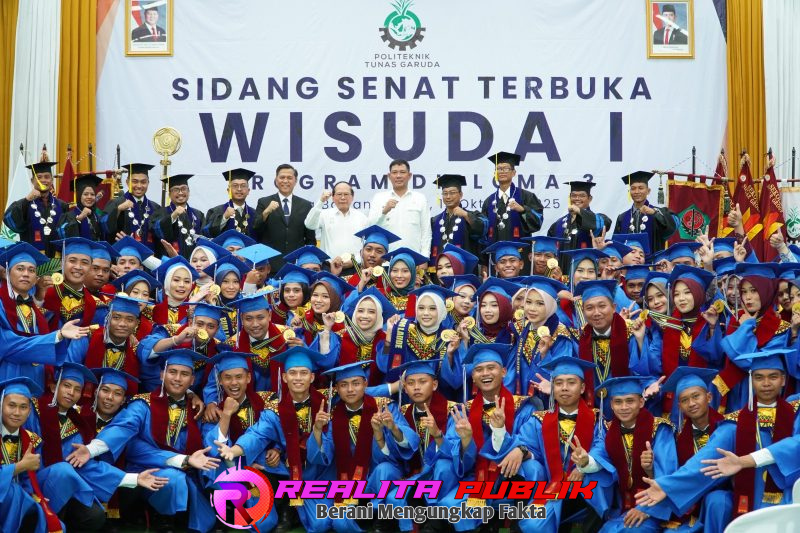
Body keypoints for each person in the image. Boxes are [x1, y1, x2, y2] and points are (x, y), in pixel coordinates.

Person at [635, 349, 800, 532]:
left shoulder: (796, 411)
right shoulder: (734, 423)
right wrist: (667, 485)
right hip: (752, 501)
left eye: (773, 377)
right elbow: (704, 459)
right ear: (751, 381)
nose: (766, 383)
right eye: (759, 377)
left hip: (793, 496)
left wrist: (747, 460)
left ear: (783, 380)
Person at [66, 349, 221, 533]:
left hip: (189, 469)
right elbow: (122, 428)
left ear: (192, 381)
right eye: (172, 372)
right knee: (173, 478)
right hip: (147, 469)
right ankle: (163, 519)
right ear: (162, 374)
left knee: (210, 466)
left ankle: (186, 515)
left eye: (184, 374)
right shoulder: (142, 404)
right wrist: (90, 450)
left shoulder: (197, 408)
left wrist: (224, 417)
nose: (177, 378)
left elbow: (210, 440)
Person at [212, 348, 333, 533]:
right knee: (262, 522)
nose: (298, 378)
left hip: (319, 473)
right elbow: (257, 435)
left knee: (320, 524)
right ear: (284, 378)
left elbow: (360, 392)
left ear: (312, 377)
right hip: (289, 470)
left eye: (303, 373)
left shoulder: (328, 404)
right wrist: (234, 450)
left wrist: (317, 429)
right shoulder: (274, 410)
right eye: (292, 373)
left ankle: (292, 507)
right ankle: (284, 506)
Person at [484, 356, 608, 533]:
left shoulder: (597, 419)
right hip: (548, 486)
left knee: (598, 478)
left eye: (571, 382)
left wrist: (585, 464)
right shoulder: (539, 420)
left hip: (582, 490)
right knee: (528, 467)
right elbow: (524, 444)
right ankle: (522, 521)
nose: (564, 388)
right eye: (558, 383)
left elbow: (601, 448)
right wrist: (511, 441)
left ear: (582, 388)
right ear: (553, 388)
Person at [307, 360, 419, 533]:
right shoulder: (332, 415)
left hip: (379, 474)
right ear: (337, 388)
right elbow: (323, 455)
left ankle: (380, 519)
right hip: (348, 481)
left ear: (365, 384)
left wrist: (392, 428)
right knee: (339, 523)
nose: (350, 389)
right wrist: (317, 429)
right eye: (344, 385)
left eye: (356, 383)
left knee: (384, 470)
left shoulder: (385, 407)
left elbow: (410, 441)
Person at [434, 344, 529, 532]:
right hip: (475, 479)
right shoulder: (463, 412)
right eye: (478, 369)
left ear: (503, 372)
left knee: (532, 468)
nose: (485, 373)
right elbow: (457, 457)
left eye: (491, 368)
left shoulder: (524, 407)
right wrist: (466, 440)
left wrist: (520, 449)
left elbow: (531, 443)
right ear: (473, 378)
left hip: (510, 481)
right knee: (449, 505)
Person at [0, 377, 105, 532]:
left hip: (19, 500)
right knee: (16, 493)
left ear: (29, 411)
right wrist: (19, 467)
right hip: (8, 497)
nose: (17, 413)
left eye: (23, 407)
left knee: (55, 521)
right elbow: (22, 472)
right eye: (11, 406)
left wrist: (35, 495)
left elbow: (29, 479)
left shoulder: (32, 439)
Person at [573, 376, 677, 532]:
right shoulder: (608, 430)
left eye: (630, 401)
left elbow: (668, 472)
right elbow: (599, 455)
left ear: (641, 402)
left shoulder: (659, 429)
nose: (624, 407)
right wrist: (584, 460)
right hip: (623, 505)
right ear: (611, 405)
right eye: (618, 402)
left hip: (654, 506)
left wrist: (646, 508)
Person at [317, 287, 398, 387]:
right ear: (355, 313)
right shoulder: (342, 337)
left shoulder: (385, 338)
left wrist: (389, 334)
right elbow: (326, 365)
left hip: (376, 395)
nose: (365, 316)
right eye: (360, 310)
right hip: (346, 394)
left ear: (379, 316)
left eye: (371, 312)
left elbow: (386, 365)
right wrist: (327, 329)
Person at [66, 294, 146, 394]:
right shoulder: (86, 337)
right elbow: (69, 371)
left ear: (136, 323)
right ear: (107, 318)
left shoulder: (136, 349)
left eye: (129, 320)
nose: (122, 324)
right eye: (116, 317)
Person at [254, 164, 316, 272]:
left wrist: (305, 261)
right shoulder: (264, 202)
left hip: (296, 264)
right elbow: (256, 229)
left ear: (295, 181)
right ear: (276, 180)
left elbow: (310, 239)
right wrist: (267, 211)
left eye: (289, 178)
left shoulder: (306, 205)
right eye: (282, 177)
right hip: (269, 265)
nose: (285, 181)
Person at [368, 159, 432, 258]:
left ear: (409, 175)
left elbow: (426, 231)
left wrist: (424, 256)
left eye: (402, 172)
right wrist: (384, 211)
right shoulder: (379, 198)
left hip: (414, 258)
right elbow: (370, 226)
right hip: (385, 259)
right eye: (394, 172)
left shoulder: (420, 198)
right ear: (389, 176)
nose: (398, 176)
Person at [4, 160, 68, 255]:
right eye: (39, 177)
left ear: (52, 180)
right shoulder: (24, 204)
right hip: (31, 261)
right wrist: (27, 200)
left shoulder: (62, 205)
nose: (43, 180)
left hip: (57, 262)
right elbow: (10, 221)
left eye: (47, 177)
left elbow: (67, 232)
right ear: (32, 181)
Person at [482, 151, 544, 245]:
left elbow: (537, 222)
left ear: (513, 173)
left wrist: (523, 210)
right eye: (499, 169)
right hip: (497, 254)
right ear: (495, 173)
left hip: (521, 254)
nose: (502, 171)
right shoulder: (489, 201)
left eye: (506, 168)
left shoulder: (527, 196)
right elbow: (483, 230)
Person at [548, 180, 611, 270]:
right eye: (573, 195)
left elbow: (604, 224)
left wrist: (579, 211)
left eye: (582, 195)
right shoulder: (559, 223)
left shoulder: (597, 219)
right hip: (562, 274)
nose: (577, 198)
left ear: (590, 199)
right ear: (569, 198)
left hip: (586, 273)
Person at [101, 163, 163, 253]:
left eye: (143, 182)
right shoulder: (116, 203)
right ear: (127, 182)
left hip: (150, 262)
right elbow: (104, 227)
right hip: (124, 259)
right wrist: (118, 210)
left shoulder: (155, 208)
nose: (139, 186)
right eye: (135, 181)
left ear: (148, 183)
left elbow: (160, 236)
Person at [40, 237, 99, 329]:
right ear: (62, 263)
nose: (78, 267)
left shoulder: (96, 305)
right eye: (72, 261)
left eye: (84, 262)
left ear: (91, 267)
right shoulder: (44, 292)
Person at [614, 171, 676, 253]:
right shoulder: (622, 217)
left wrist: (655, 213)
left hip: (653, 263)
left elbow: (671, 228)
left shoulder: (658, 213)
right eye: (633, 188)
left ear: (648, 191)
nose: (636, 192)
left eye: (641, 188)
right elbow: (617, 244)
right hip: (628, 264)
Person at [304, 181, 368, 261]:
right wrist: (321, 201)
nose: (343, 197)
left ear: (352, 197)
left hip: (354, 266)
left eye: (346, 194)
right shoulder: (324, 215)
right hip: (329, 266)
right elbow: (309, 225)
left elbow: (366, 244)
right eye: (339, 194)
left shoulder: (361, 217)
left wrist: (356, 261)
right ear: (333, 197)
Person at [429, 174, 486, 262]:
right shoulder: (435, 221)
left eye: (452, 193)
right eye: (445, 193)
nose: (448, 197)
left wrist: (466, 215)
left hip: (465, 270)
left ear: (461, 194)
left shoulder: (472, 215)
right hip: (441, 269)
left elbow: (482, 230)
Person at [154, 174, 206, 259]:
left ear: (188, 191)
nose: (180, 192)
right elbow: (157, 232)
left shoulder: (198, 214)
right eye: (176, 190)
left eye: (183, 189)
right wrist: (173, 216)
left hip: (194, 262)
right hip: (170, 262)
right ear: (169, 194)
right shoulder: (160, 213)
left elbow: (204, 237)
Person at [203, 167, 258, 239]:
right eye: (235, 186)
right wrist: (224, 217)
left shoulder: (255, 213)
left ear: (248, 191)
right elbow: (208, 234)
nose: (239, 189)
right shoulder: (216, 211)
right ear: (228, 190)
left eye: (243, 186)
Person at [58, 173, 106, 241]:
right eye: (85, 194)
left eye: (92, 194)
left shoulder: (96, 216)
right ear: (79, 196)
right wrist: (79, 218)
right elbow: (62, 235)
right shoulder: (69, 216)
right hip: (77, 251)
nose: (89, 197)